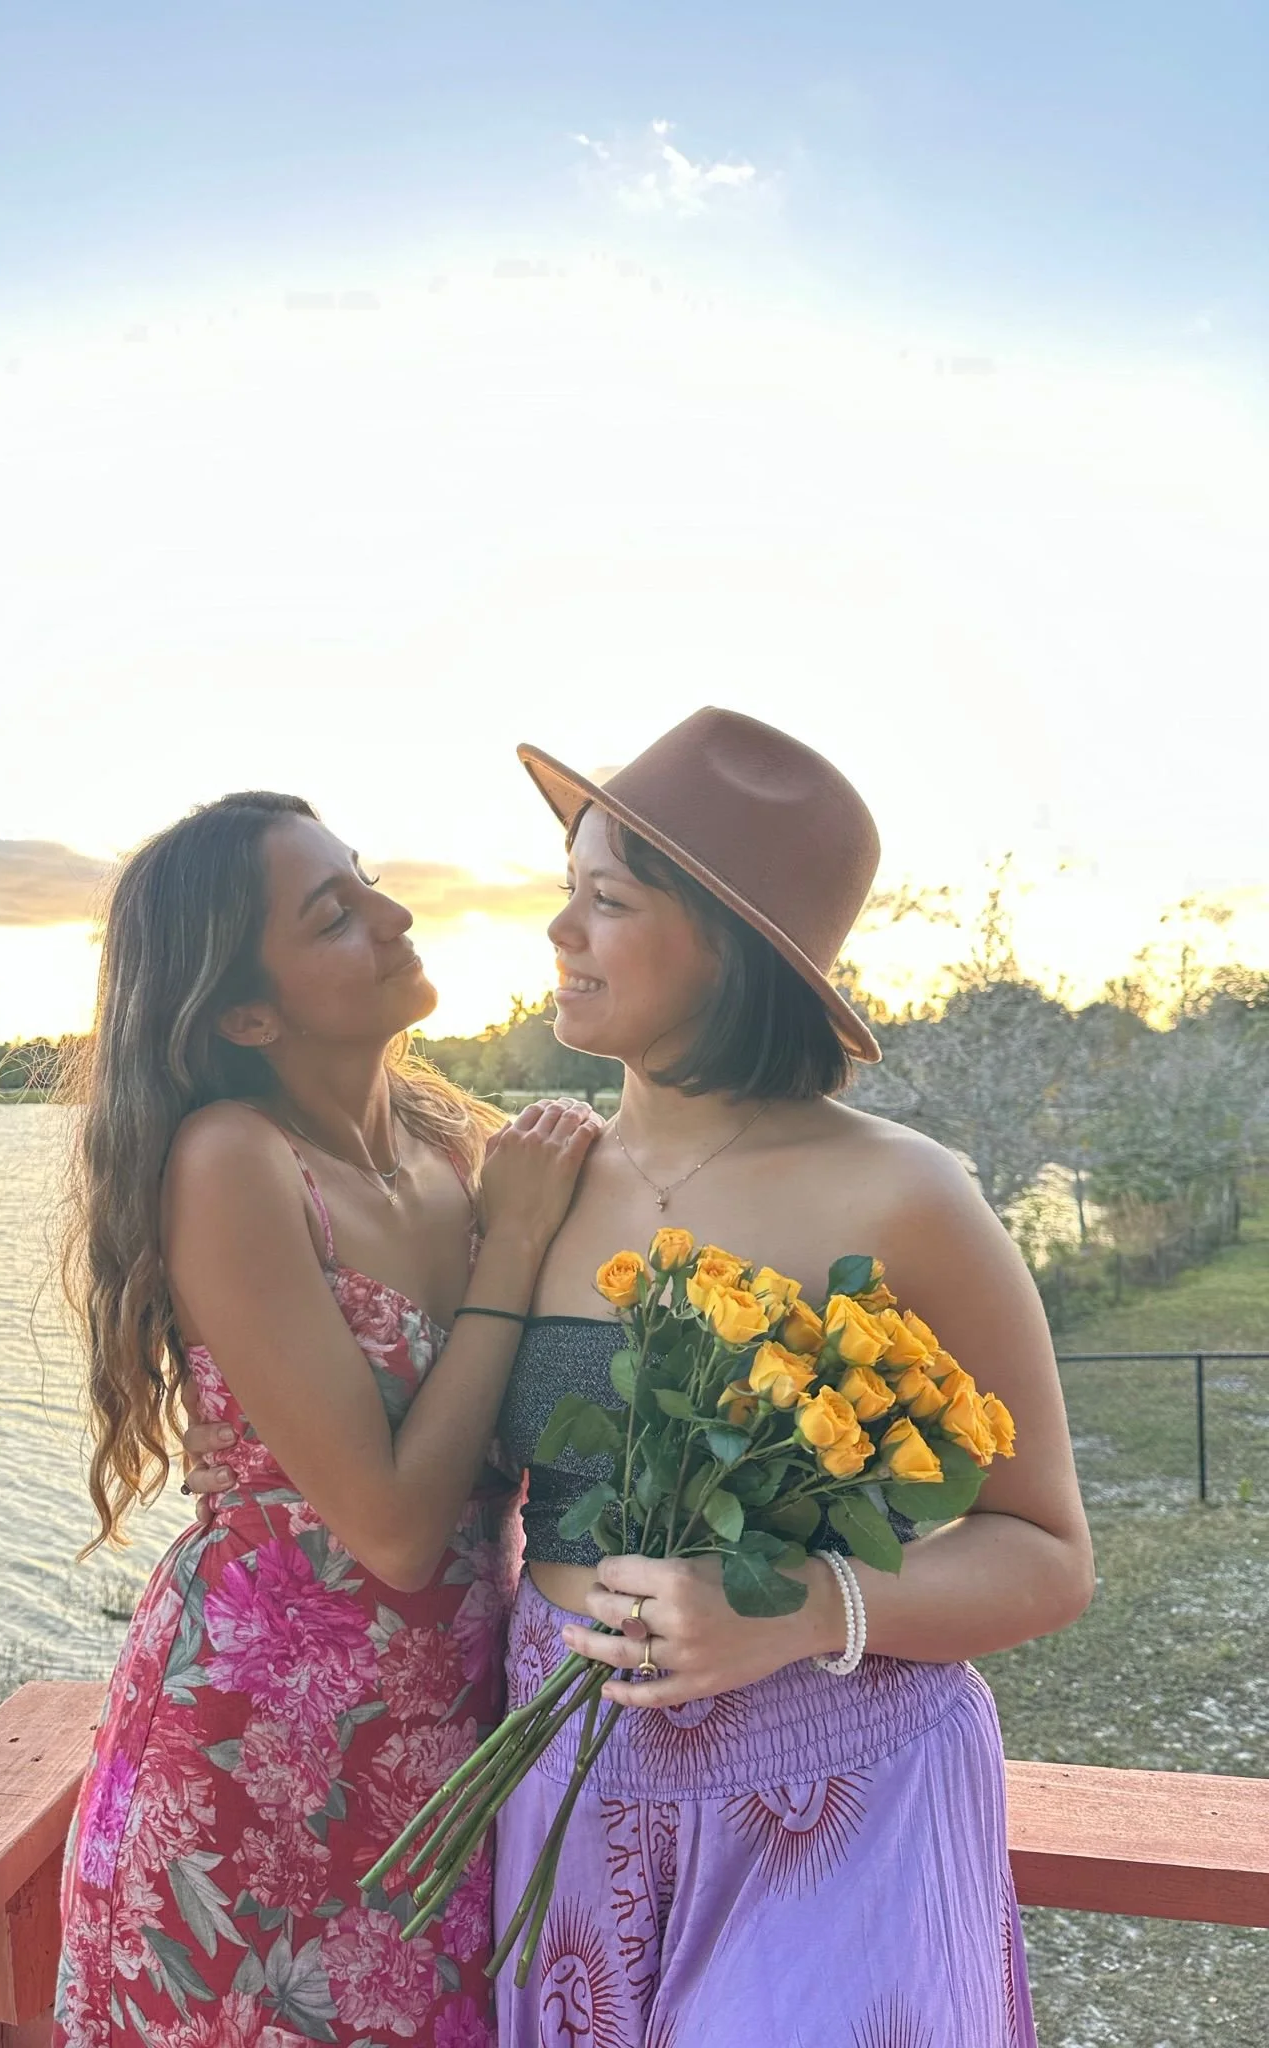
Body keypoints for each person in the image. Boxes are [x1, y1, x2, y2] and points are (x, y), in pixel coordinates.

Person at [487, 708, 1093, 2046]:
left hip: (837, 1797)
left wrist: (801, 1609)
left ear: (731, 950)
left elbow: (1049, 1550)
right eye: (564, 894)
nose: (559, 933)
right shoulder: (531, 1181)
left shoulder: (908, 1194)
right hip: (563, 1783)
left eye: (606, 899)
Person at [51, 789, 602, 2048]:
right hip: (252, 1755)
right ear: (250, 1011)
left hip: (439, 1733)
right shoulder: (234, 1160)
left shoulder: (454, 1149)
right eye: (334, 915)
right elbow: (397, 1527)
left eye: (363, 881)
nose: (394, 913)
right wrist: (512, 1245)